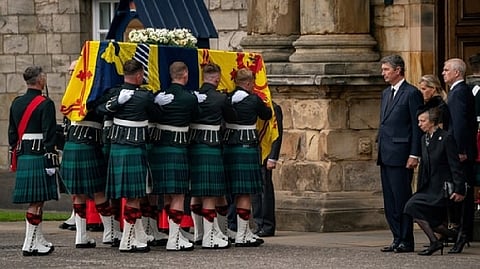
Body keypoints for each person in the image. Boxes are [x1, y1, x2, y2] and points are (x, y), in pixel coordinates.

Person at [101, 59, 166, 252]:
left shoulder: (115, 93)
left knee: (131, 195)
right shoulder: (144, 97)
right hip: (134, 147)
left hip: (118, 148)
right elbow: (157, 116)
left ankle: (137, 236)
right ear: (139, 75)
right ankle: (127, 241)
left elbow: (100, 110)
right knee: (134, 196)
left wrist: (115, 102)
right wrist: (158, 102)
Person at [8, 66, 59, 256]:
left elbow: (12, 133)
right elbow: (49, 134)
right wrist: (51, 159)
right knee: (36, 202)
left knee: (38, 201)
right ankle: (29, 243)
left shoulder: (16, 102)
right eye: (44, 77)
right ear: (40, 80)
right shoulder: (45, 103)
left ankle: (38, 239)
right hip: (39, 155)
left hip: (24, 154)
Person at [149, 61, 199, 251]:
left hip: (159, 147)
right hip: (177, 147)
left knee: (168, 193)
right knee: (178, 193)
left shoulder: (160, 96)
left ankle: (174, 234)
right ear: (185, 74)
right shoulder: (189, 98)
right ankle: (174, 239)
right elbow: (196, 116)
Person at [404, 107, 466, 256]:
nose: (419, 124)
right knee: (415, 209)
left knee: (412, 207)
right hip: (429, 186)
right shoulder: (423, 139)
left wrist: (459, 189)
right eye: (418, 121)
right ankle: (453, 237)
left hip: (442, 187)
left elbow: (455, 165)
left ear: (432, 122)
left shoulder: (446, 138)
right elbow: (424, 167)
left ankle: (438, 241)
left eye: (423, 121)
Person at [377, 55, 423, 253]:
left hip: (402, 154)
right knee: (390, 200)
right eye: (383, 69)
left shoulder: (411, 93)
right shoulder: (386, 93)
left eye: (386, 69)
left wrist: (414, 154)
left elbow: (416, 126)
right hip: (386, 153)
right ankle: (396, 237)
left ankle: (406, 239)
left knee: (402, 197)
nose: (383, 73)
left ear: (398, 70)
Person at [223, 68, 272, 247]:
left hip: (228, 146)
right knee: (244, 191)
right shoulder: (253, 99)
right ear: (249, 83)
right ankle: (243, 233)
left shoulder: (226, 98)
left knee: (230, 190)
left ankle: (228, 229)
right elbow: (266, 115)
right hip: (246, 146)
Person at [188, 63, 232, 249]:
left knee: (197, 191)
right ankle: (210, 236)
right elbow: (232, 116)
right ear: (216, 78)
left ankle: (200, 233)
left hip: (193, 145)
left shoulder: (192, 97)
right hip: (212, 146)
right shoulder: (220, 98)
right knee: (211, 193)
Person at [442, 58, 477, 253]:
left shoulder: (459, 93)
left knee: (462, 192)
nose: (443, 73)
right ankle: (461, 233)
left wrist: (461, 150)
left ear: (457, 73)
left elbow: (461, 125)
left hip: (460, 152)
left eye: (446, 70)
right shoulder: (457, 92)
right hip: (460, 149)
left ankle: (462, 233)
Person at [252, 101, 283, 237]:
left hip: (266, 153)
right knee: (255, 191)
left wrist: (273, 157)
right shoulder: (253, 104)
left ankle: (267, 225)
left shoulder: (274, 107)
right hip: (254, 151)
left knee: (265, 189)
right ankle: (258, 223)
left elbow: (277, 134)